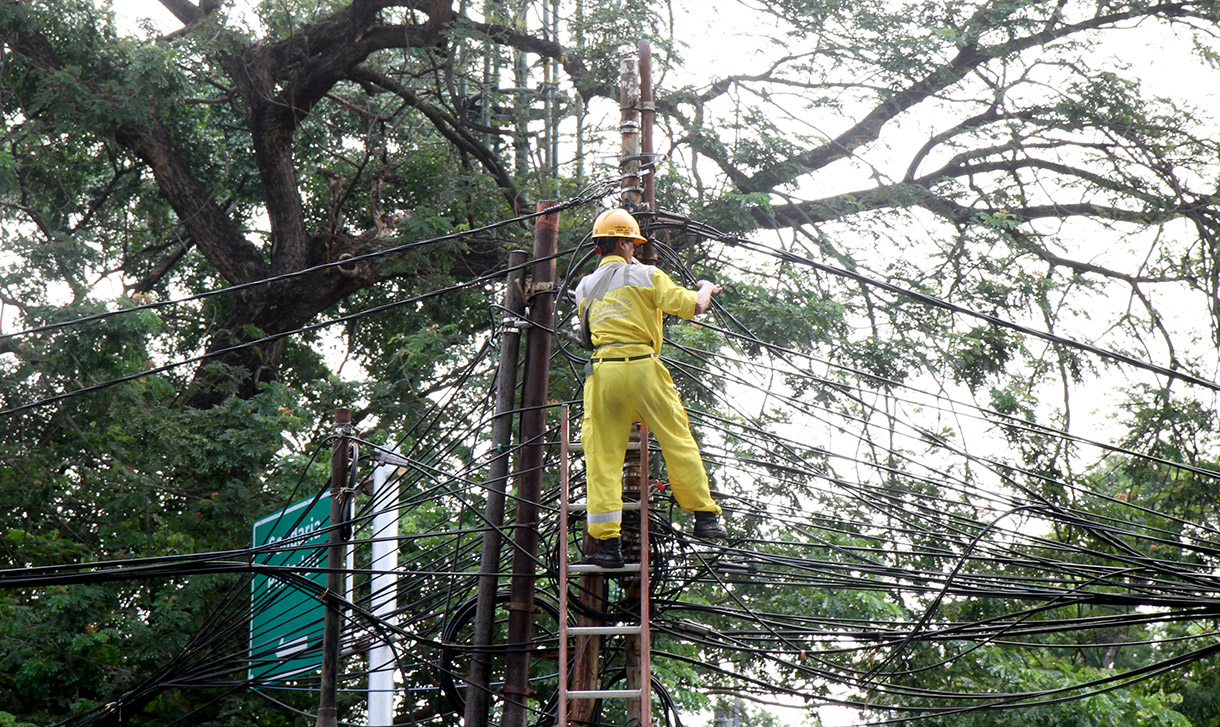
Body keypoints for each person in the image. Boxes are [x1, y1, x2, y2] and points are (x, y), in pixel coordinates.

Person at [576, 208, 727, 569]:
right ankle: (705, 518)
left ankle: (608, 548)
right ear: (627, 243)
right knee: (677, 439)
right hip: (644, 368)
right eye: (633, 244)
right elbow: (694, 306)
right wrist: (706, 287)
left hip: (603, 373)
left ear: (599, 248)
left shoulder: (584, 286)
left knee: (602, 458)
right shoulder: (647, 275)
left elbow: (583, 335)